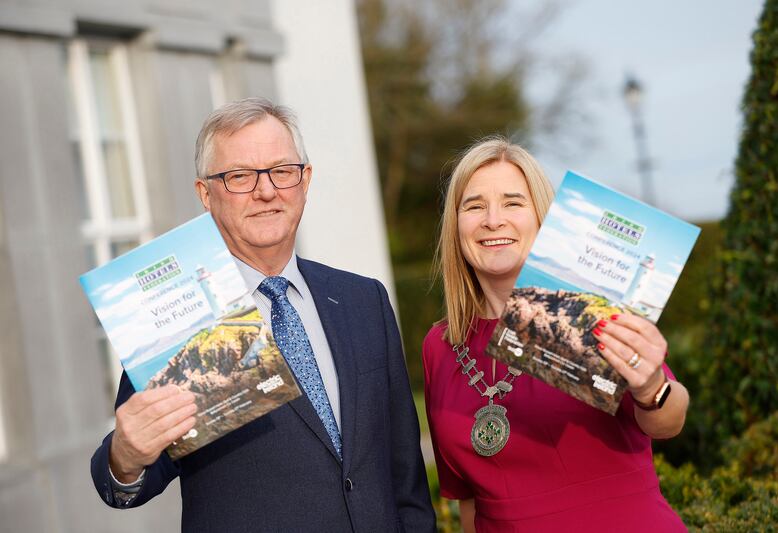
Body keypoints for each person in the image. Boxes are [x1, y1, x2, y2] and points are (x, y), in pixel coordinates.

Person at [90, 97, 436, 532]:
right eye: (239, 176)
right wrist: (125, 456)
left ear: (305, 180)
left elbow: (405, 473)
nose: (266, 190)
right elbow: (131, 477)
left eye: (281, 171)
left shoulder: (363, 300)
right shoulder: (179, 319)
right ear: (206, 195)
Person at [423, 136, 689, 532]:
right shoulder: (440, 346)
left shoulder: (587, 309)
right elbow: (470, 502)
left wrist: (651, 387)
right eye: (474, 205)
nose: (493, 219)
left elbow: (668, 421)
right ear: (455, 225)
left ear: (543, 218)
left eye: (513, 202)